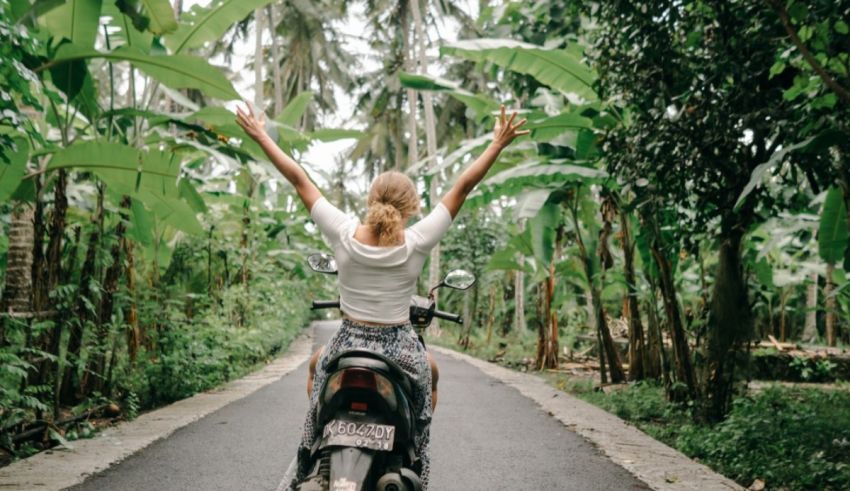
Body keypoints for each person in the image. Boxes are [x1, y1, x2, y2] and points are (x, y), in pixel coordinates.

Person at [235, 102, 528, 489]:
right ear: (410, 208)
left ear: (371, 200)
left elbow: (298, 178)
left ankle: (312, 451)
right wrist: (497, 144)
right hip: (400, 348)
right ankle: (413, 456)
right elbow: (463, 186)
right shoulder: (417, 241)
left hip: (347, 341)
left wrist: (260, 134)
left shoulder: (341, 232)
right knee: (431, 378)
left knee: (314, 370)